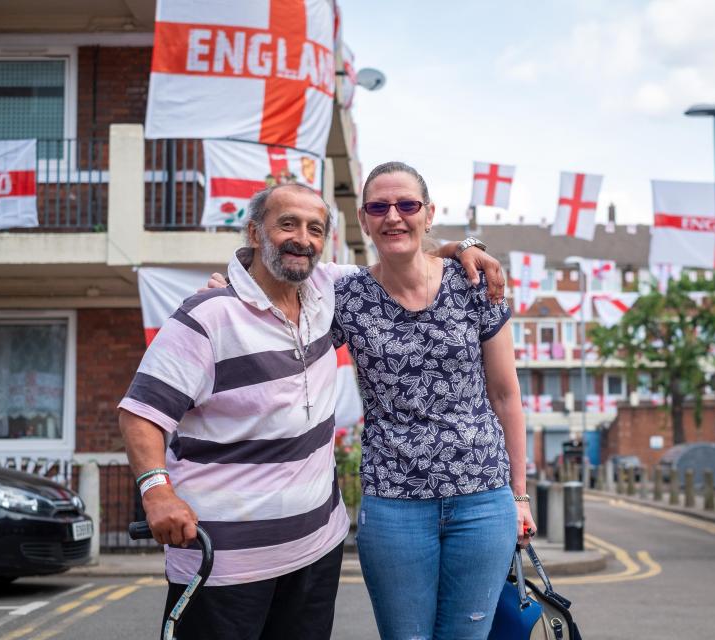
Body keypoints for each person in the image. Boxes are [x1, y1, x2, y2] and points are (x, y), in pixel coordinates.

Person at [119, 182, 504, 640]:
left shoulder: (329, 290)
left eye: (315, 229)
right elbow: (141, 412)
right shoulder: (207, 316)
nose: (302, 238)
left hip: (314, 555)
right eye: (287, 224)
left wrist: (466, 247)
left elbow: (401, 254)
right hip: (222, 563)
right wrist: (156, 491)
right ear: (254, 232)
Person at [332, 161, 534, 640]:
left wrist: (520, 496)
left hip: (482, 498)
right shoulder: (345, 296)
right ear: (363, 219)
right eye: (379, 207)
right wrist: (229, 291)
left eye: (407, 204)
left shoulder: (474, 285)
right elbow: (281, 303)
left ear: (428, 213)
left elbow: (506, 396)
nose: (394, 216)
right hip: (393, 501)